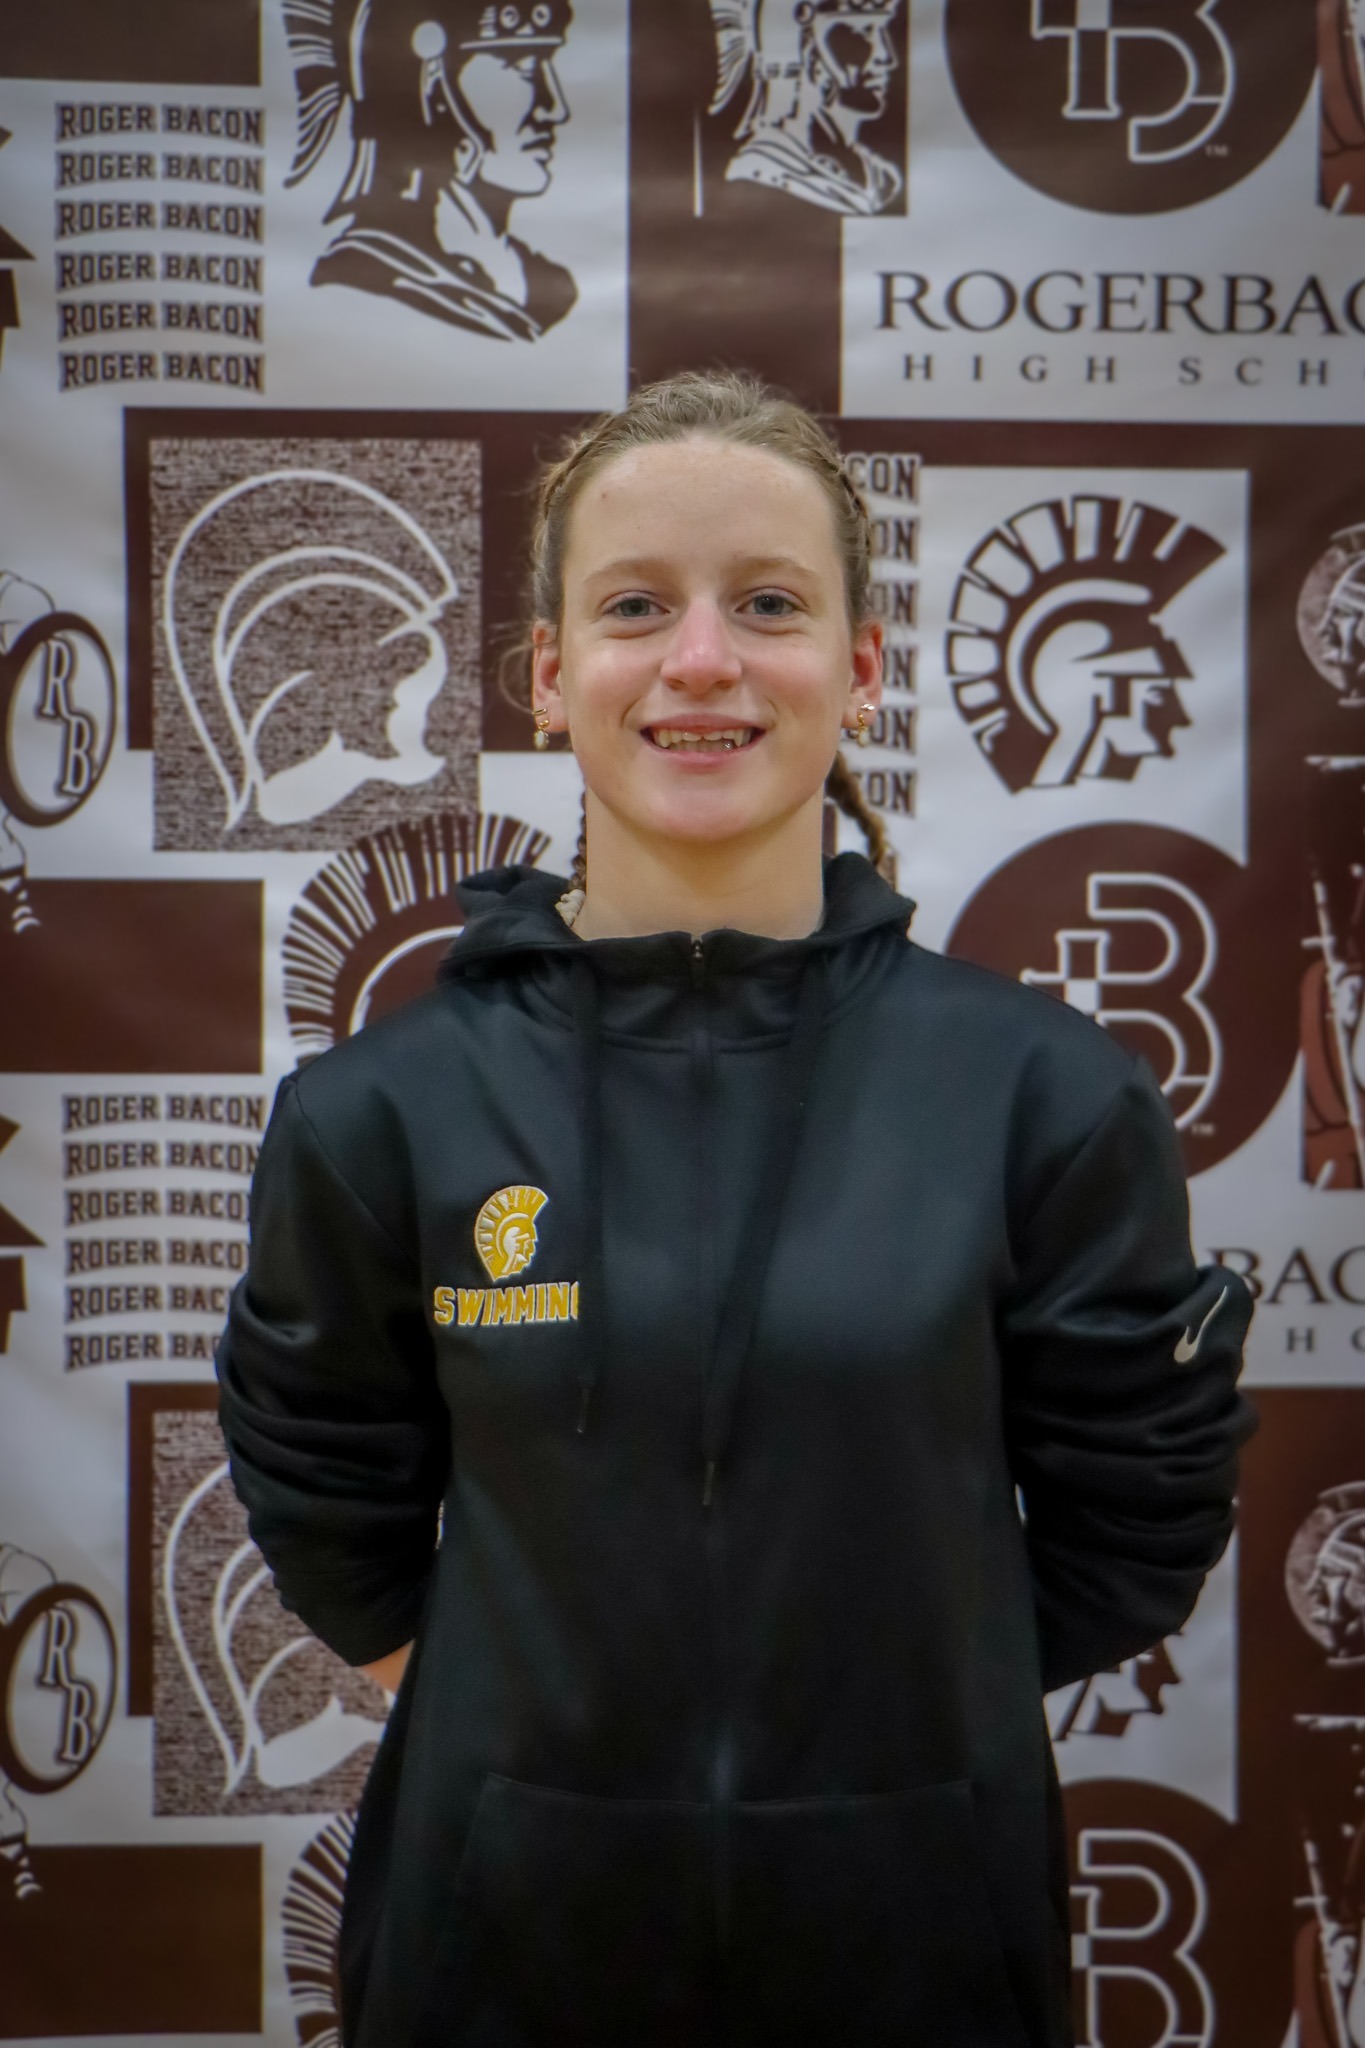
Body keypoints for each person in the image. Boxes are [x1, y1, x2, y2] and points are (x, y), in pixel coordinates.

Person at [216, 370, 1255, 2047]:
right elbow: (325, 1498)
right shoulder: (379, 1113)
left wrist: (893, 1755)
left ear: (859, 668)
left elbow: (1131, 1527)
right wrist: (549, 1752)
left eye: (767, 605)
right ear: (548, 675)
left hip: (921, 1946)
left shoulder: (1041, 1094)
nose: (700, 659)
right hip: (497, 1949)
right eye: (635, 607)